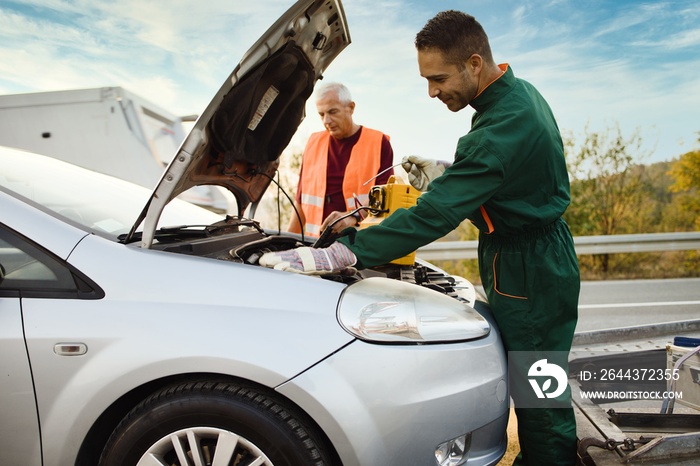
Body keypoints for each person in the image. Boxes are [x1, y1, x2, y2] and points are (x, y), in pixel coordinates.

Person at [261, 11, 580, 465]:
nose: (432, 92)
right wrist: (451, 173)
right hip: (534, 255)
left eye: (438, 78)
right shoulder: (516, 95)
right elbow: (509, 176)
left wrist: (344, 252)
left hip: (528, 265)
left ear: (474, 63)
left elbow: (434, 215)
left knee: (538, 389)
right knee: (537, 382)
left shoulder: (496, 129)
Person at [287, 82, 394, 238]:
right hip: (316, 242)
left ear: (351, 108)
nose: (326, 121)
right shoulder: (313, 143)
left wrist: (352, 216)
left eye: (332, 112)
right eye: (321, 114)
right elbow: (300, 201)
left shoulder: (378, 142)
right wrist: (287, 240)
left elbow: (385, 193)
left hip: (357, 241)